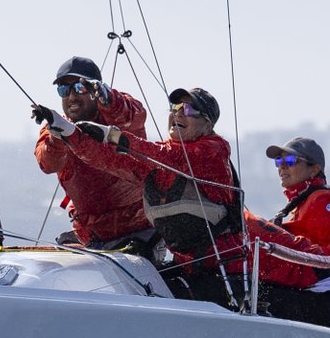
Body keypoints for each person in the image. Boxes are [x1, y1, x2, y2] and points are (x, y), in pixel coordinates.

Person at [51, 87, 248, 306]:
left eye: (189, 109)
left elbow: (168, 156)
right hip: (188, 269)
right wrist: (69, 134)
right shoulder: (162, 158)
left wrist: (112, 135)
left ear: (208, 124)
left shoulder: (213, 150)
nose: (178, 114)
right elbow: (113, 161)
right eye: (175, 108)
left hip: (226, 274)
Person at [31, 56, 156, 252]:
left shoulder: (118, 114)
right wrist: (58, 137)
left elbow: (132, 115)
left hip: (140, 231)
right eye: (64, 89)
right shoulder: (57, 127)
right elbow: (48, 164)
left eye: (80, 88)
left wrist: (109, 98)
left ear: (95, 89)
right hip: (92, 236)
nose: (71, 97)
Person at [262, 136, 330, 333]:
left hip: (329, 301)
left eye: (290, 161)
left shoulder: (321, 200)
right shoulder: (300, 203)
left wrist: (316, 265)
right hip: (313, 295)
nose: (282, 167)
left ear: (314, 169)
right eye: (279, 161)